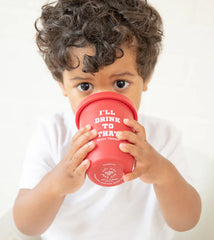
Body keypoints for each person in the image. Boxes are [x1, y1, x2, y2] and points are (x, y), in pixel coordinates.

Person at [13, 0, 201, 239]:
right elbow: (26, 226)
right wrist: (57, 183)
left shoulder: (162, 135)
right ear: (62, 85)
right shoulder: (52, 133)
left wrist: (163, 173)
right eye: (84, 85)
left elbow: (186, 222)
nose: (103, 99)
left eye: (120, 84)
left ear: (145, 79)